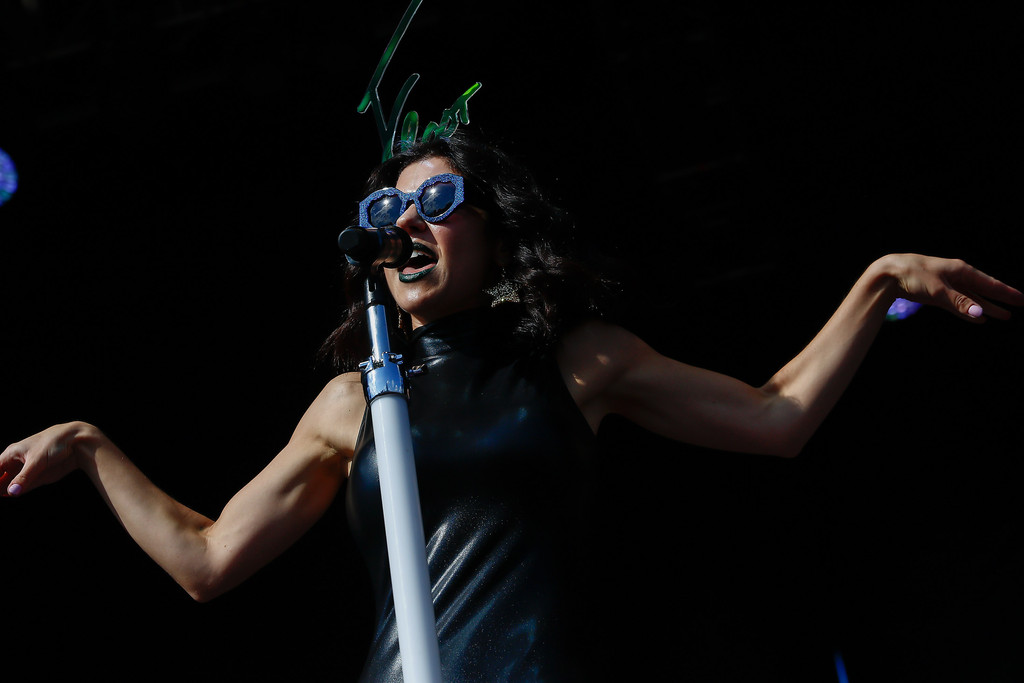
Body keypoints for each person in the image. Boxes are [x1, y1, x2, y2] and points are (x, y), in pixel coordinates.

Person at [2, 132, 1021, 681]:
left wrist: (872, 281)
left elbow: (775, 416)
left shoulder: (580, 360)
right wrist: (94, 446)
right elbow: (208, 557)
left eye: (438, 204)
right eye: (390, 211)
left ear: (491, 235)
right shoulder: (350, 404)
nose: (409, 224)